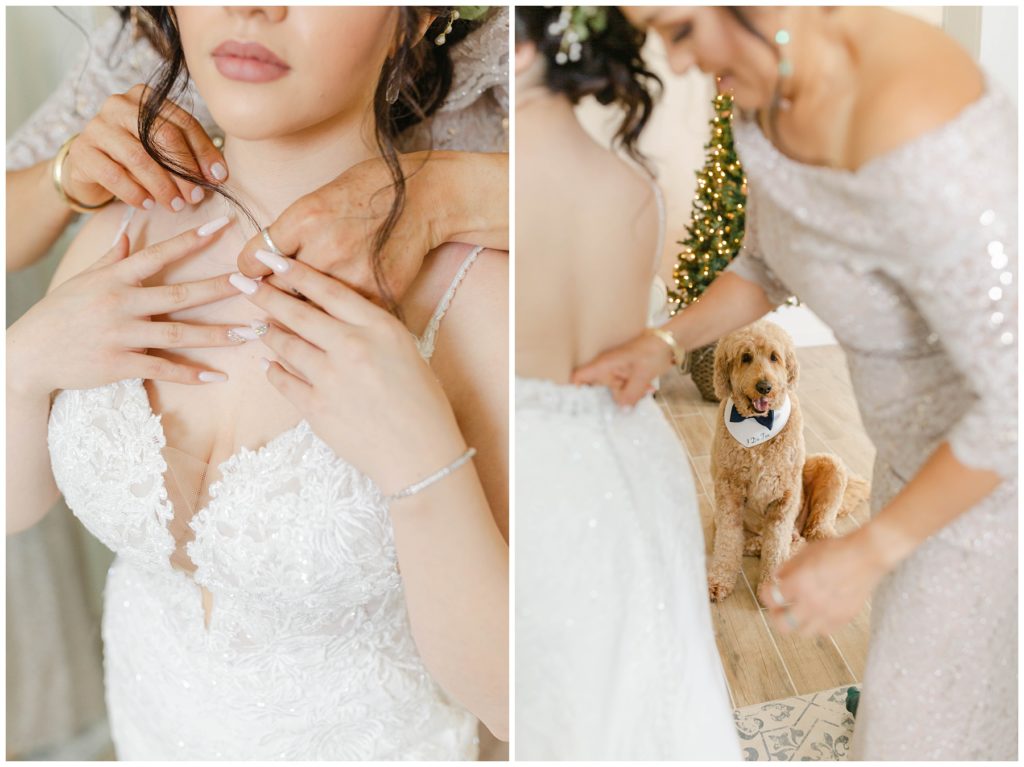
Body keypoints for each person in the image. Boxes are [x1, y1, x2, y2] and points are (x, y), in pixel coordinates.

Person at [7, 6, 508, 759]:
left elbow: (514, 699)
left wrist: (421, 465)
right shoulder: (119, 228)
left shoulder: (477, 295)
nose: (254, 7)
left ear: (418, 16)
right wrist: (23, 362)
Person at [575, 6, 1017, 760]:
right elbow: (761, 265)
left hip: (989, 491)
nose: (677, 64)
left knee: (935, 723)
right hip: (908, 465)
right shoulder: (763, 98)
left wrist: (866, 549)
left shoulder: (922, 128)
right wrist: (662, 341)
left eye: (681, 32)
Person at [514, 7, 740, 760]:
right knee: (643, 674)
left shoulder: (490, 187)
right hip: (632, 454)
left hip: (536, 469)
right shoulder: (632, 186)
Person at [7, 6, 509, 302]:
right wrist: (68, 176)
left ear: (418, 17)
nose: (251, 9)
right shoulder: (143, 42)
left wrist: (432, 195)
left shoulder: (514, 41)